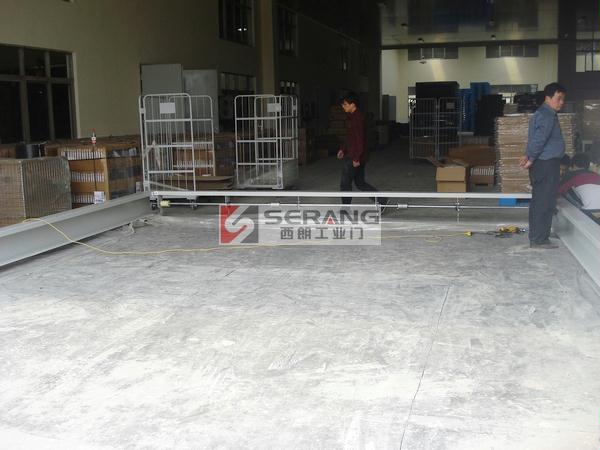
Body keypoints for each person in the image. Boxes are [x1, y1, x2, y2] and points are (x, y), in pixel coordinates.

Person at [519, 83, 566, 249]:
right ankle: (539, 239)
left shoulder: (545, 113)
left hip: (545, 164)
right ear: (548, 97)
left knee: (541, 200)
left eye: (563, 99)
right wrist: (531, 158)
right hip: (546, 164)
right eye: (558, 98)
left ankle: (540, 234)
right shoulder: (546, 115)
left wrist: (528, 155)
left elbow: (535, 138)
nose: (561, 102)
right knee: (544, 202)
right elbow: (539, 139)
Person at [337, 92, 386, 207]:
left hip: (355, 156)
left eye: (345, 104)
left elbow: (360, 140)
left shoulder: (358, 118)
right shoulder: (352, 117)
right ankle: (382, 200)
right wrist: (343, 149)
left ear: (353, 104)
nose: (343, 106)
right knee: (360, 183)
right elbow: (350, 137)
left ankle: (346, 208)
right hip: (356, 155)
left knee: (345, 183)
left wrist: (356, 158)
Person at [557, 152, 600, 223]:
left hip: (589, 212)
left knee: (566, 190)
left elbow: (557, 192)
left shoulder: (571, 175)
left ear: (573, 165)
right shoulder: (596, 175)